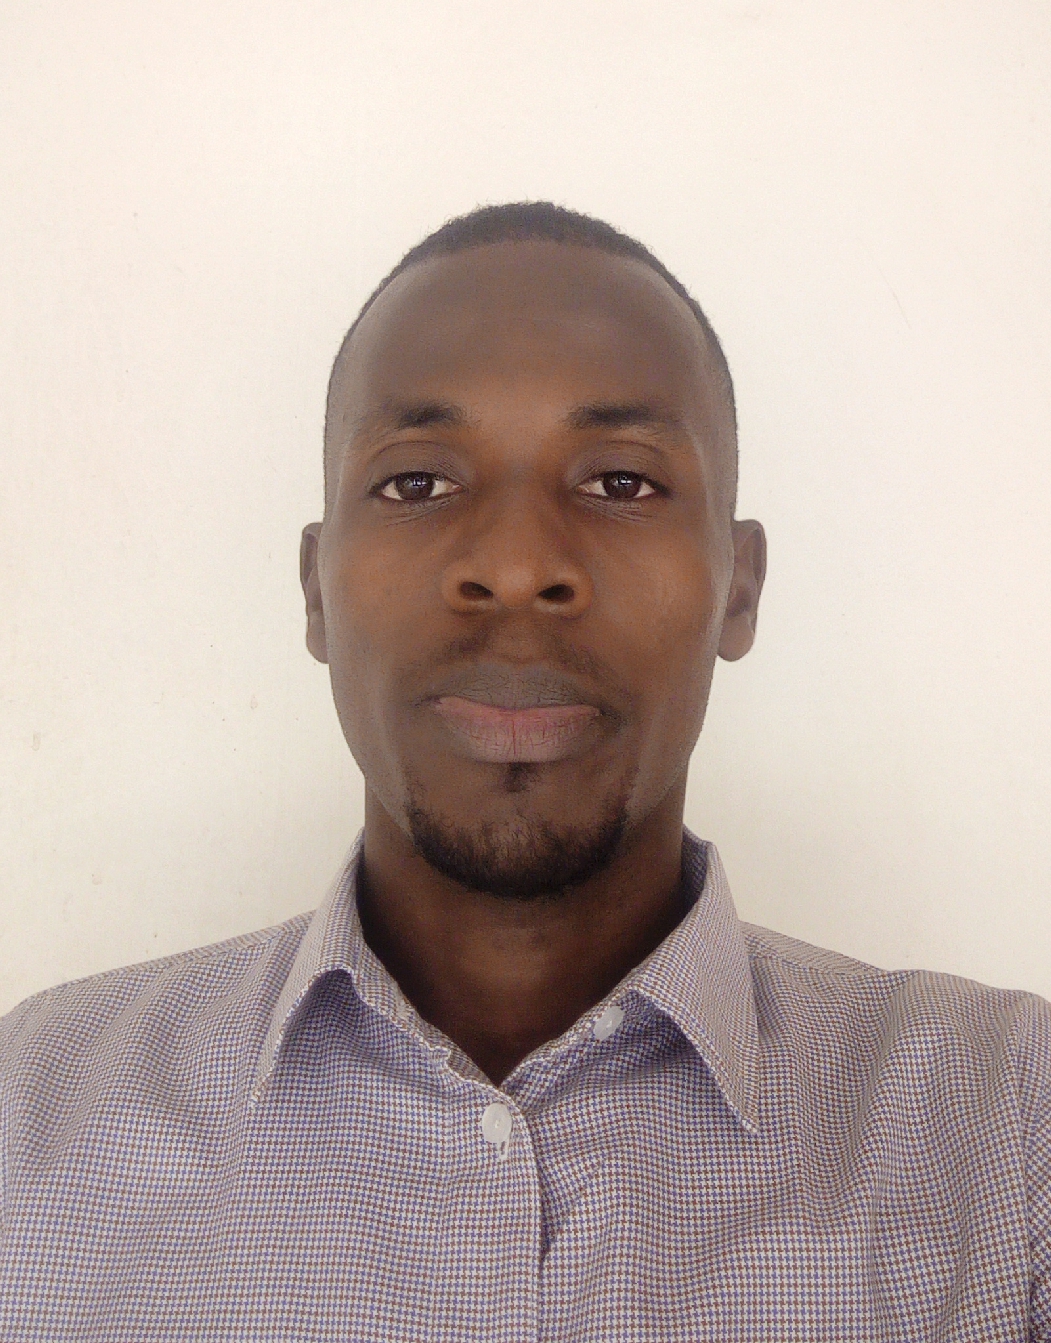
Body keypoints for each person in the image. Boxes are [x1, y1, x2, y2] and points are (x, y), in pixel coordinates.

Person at [0, 202, 1047, 1342]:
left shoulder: (1008, 1135)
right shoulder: (33, 1121)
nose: (514, 565)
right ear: (316, 589)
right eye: (416, 483)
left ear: (737, 587)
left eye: (619, 483)